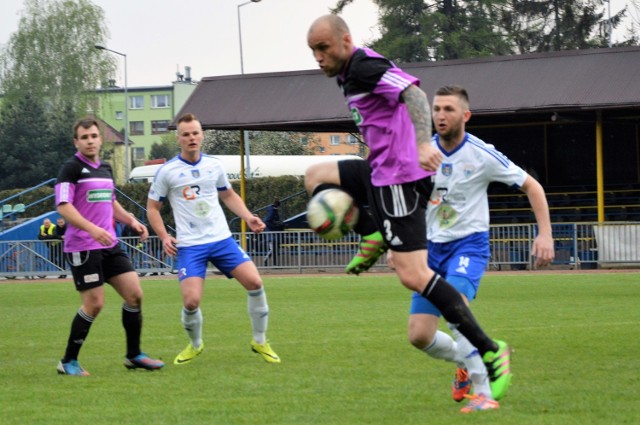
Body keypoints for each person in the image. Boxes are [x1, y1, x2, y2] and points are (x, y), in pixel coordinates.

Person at [306, 14, 511, 406]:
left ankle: (488, 349)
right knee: (315, 175)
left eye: (323, 47)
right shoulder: (348, 73)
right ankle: (371, 231)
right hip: (378, 171)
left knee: (414, 275)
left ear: (345, 40)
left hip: (399, 176)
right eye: (313, 50)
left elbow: (414, 96)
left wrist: (420, 143)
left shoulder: (364, 66)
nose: (318, 56)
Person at [399, 85, 555, 412]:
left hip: (468, 245)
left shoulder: (482, 154)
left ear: (465, 116)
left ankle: (484, 392)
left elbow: (532, 186)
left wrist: (545, 235)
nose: (440, 115)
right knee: (419, 336)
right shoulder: (421, 153)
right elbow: (408, 201)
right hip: (429, 251)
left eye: (448, 110)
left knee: (455, 310)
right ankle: (472, 358)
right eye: (436, 109)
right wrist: (397, 241)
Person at [146, 112, 280, 365]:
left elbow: (228, 195)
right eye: (186, 134)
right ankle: (195, 345)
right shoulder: (167, 172)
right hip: (190, 245)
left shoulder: (214, 165)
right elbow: (152, 208)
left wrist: (248, 216)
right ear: (179, 139)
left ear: (202, 135)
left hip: (221, 240)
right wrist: (164, 236)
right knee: (191, 301)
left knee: (254, 282)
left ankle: (260, 341)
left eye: (195, 133)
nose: (191, 138)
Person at [54, 118, 164, 376]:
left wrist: (132, 220)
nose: (90, 140)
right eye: (84, 137)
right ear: (76, 142)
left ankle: (134, 355)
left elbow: (110, 201)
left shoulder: (104, 168)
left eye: (94, 136)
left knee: (135, 295)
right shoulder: (70, 169)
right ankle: (68, 361)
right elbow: (63, 206)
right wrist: (92, 229)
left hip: (109, 245)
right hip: (83, 246)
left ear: (100, 139)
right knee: (94, 304)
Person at [263, 199, 284, 265]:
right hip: (271, 234)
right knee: (272, 249)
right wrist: (275, 224)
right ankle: (266, 260)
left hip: (274, 234)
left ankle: (275, 264)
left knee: (275, 249)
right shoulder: (272, 211)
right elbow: (267, 221)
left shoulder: (274, 210)